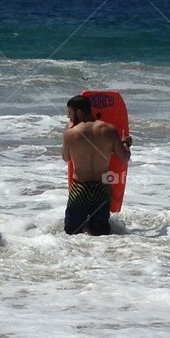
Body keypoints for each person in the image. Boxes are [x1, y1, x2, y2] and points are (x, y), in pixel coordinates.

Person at [61, 95, 131, 235]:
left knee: (71, 234)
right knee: (101, 235)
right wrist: (126, 143)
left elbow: (65, 157)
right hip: (101, 189)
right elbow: (125, 158)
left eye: (70, 113)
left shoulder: (71, 133)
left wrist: (67, 130)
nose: (69, 117)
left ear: (79, 112)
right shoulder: (109, 130)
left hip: (79, 190)